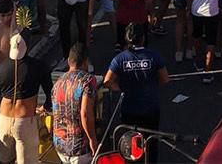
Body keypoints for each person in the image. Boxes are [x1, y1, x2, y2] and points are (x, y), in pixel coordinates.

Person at [104, 23, 169, 164]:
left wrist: (119, 88)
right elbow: (165, 79)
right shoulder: (154, 56)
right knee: (151, 141)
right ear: (143, 38)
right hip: (150, 108)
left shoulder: (120, 59)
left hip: (129, 109)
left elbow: (107, 81)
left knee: (131, 142)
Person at [51, 43, 98, 163]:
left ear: (68, 61)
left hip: (60, 145)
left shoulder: (57, 84)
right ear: (85, 61)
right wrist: (92, 139)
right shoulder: (87, 81)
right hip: (79, 146)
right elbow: (85, 114)